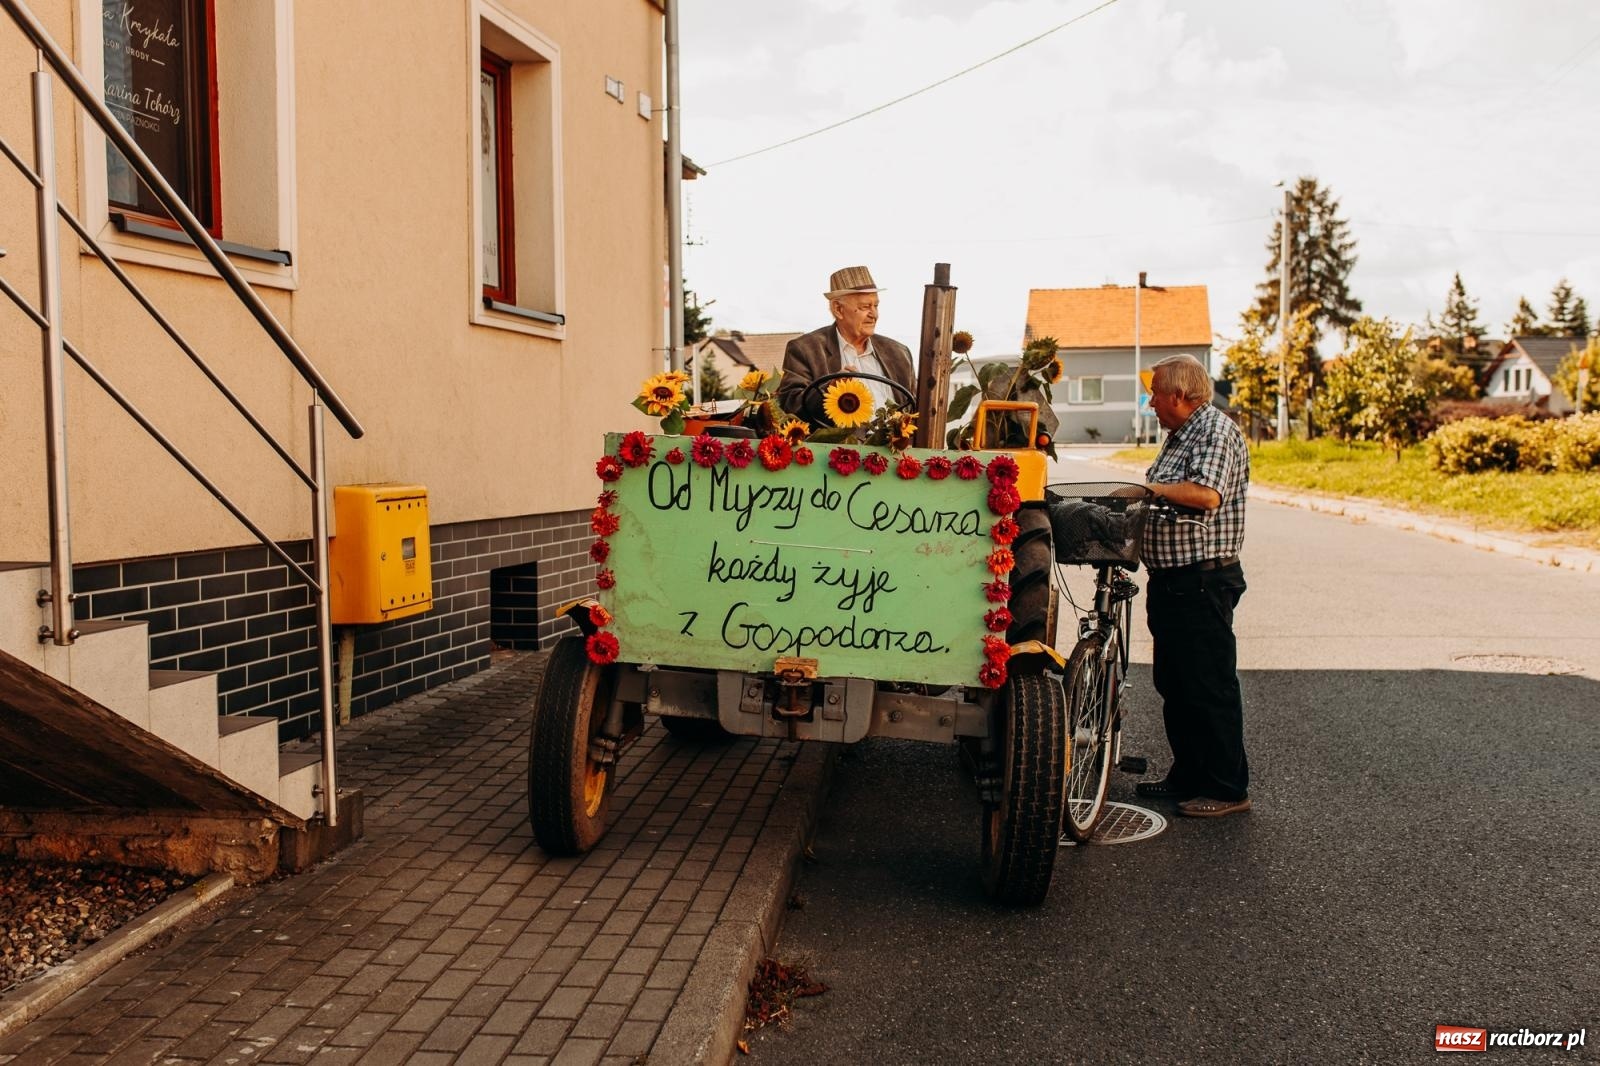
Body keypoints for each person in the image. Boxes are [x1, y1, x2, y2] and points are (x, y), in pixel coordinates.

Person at [1134, 354, 1253, 818]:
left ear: (1181, 395)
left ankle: (1226, 789)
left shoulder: (1214, 431)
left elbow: (1206, 494)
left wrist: (1151, 491)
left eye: (1156, 393)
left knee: (1208, 686)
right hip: (1174, 580)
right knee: (1176, 685)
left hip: (1203, 579)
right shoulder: (1182, 433)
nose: (1151, 402)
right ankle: (1188, 775)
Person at [777, 266, 917, 427]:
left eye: (876, 306)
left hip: (893, 451)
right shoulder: (805, 349)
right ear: (838, 309)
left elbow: (916, 411)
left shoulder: (899, 353)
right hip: (834, 451)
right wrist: (829, 389)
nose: (874, 315)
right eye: (865, 307)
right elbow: (789, 407)